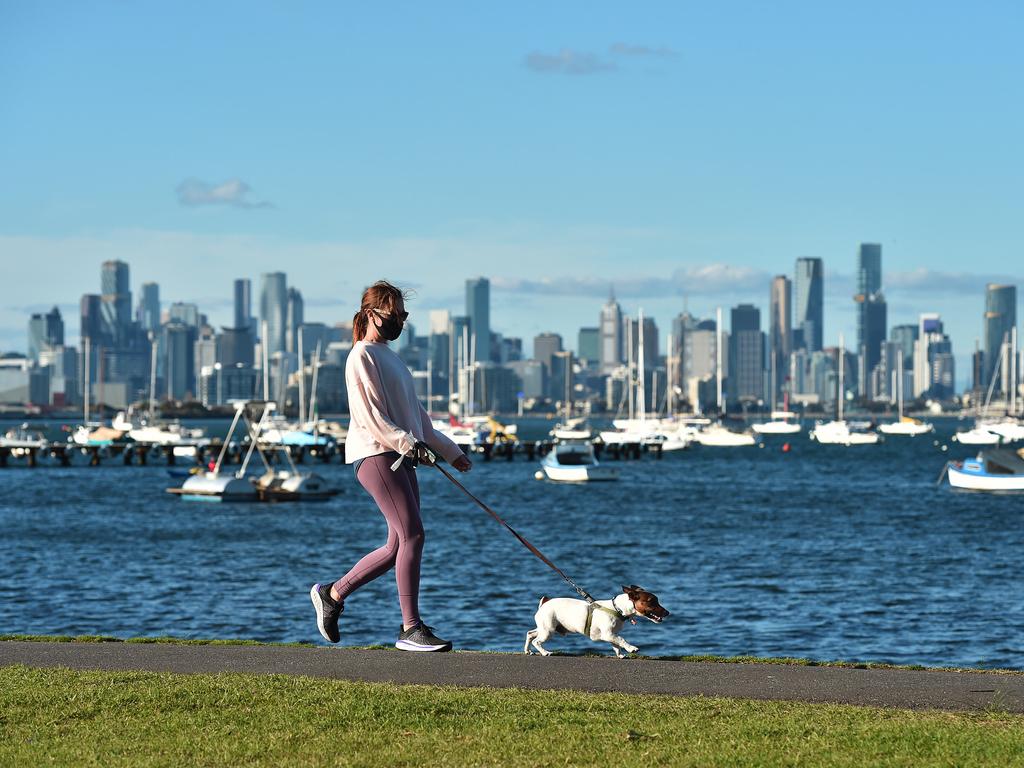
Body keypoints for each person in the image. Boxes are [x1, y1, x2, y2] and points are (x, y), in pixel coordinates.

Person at [310, 280, 472, 652]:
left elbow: (418, 418)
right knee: (413, 534)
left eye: (403, 314)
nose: (399, 320)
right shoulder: (361, 356)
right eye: (393, 314)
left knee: (399, 542)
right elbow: (371, 418)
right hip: (376, 454)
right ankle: (410, 629)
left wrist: (450, 451)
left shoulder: (392, 358)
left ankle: (332, 595)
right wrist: (408, 444)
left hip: (399, 455)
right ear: (372, 314)